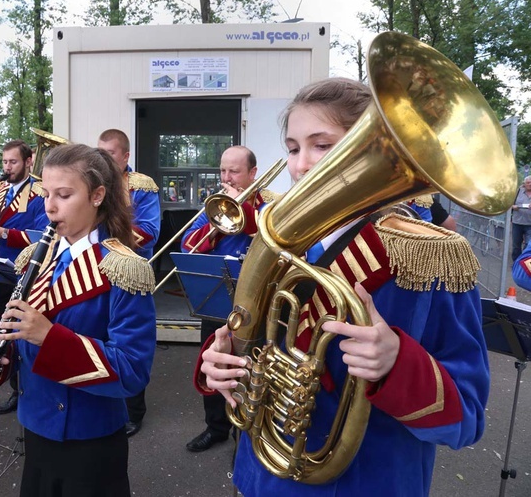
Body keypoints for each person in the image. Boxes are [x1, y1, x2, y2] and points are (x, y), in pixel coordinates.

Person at [197, 78, 489, 496]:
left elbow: (469, 418)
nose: (300, 166)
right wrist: (224, 362)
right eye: (294, 147)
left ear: (372, 152)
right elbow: (253, 347)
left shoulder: (431, 258)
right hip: (261, 475)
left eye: (323, 145)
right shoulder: (279, 241)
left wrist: (397, 363)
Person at [0, 143, 156, 496]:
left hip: (90, 437)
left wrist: (49, 336)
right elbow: (21, 343)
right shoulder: (34, 259)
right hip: (36, 424)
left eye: (64, 195)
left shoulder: (125, 268)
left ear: (98, 195)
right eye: (46, 194)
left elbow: (132, 372)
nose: (50, 207)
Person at [181, 145, 278, 452]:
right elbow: (187, 246)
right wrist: (217, 225)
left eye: (234, 171)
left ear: (252, 174)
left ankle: (247, 438)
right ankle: (216, 427)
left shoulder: (271, 207)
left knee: (250, 373)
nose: (226, 177)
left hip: (255, 310)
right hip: (216, 304)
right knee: (215, 367)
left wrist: (240, 212)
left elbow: (271, 238)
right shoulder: (214, 207)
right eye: (222, 170)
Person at [0, 139, 50, 415]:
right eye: (5, 162)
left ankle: (30, 389)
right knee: (5, 332)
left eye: (13, 162)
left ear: (29, 161)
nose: (7, 167)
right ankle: (14, 388)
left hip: (26, 272)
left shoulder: (40, 193)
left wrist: (4, 233)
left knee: (25, 335)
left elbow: (42, 236)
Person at [98, 128, 161, 436]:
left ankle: (134, 412)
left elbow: (150, 229)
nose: (103, 160)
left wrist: (109, 235)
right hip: (96, 269)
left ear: (125, 156)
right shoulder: (94, 182)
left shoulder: (141, 186)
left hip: (129, 270)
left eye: (109, 154)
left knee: (128, 341)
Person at [511, 176, 531, 261]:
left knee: (528, 245)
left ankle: (524, 264)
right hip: (517, 222)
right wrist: (513, 207)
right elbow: (509, 204)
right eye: (528, 183)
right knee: (516, 246)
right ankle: (516, 263)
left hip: (529, 224)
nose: (530, 184)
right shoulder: (518, 192)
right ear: (524, 184)